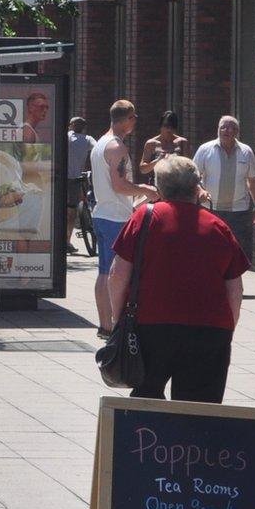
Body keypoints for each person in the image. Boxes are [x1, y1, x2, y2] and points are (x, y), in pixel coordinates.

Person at [105, 155, 247, 402]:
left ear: (159, 187)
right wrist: (227, 329)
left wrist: (119, 320)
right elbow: (235, 288)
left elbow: (118, 275)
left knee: (146, 401)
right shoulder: (218, 227)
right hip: (209, 331)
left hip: (150, 327)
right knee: (199, 408)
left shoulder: (144, 218)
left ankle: (149, 441)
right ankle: (192, 442)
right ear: (196, 187)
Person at [91, 100, 159, 337]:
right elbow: (120, 185)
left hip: (103, 213)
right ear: (128, 118)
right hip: (114, 218)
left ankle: (105, 325)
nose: (135, 122)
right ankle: (113, 324)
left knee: (103, 272)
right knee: (115, 273)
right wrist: (145, 189)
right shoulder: (116, 147)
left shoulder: (100, 143)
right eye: (134, 118)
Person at [193, 116, 255, 266]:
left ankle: (234, 282)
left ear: (237, 132)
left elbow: (253, 181)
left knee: (237, 250)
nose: (226, 130)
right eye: (223, 127)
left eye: (231, 127)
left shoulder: (246, 152)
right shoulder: (205, 149)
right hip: (210, 209)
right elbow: (193, 177)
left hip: (239, 211)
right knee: (210, 249)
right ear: (218, 129)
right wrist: (200, 191)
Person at [66, 117, 96, 251]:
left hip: (63, 178)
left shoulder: (66, 136)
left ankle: (64, 240)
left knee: (65, 210)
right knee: (71, 210)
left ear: (71, 125)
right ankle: (67, 241)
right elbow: (98, 149)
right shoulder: (87, 139)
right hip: (75, 178)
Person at [137, 110, 192, 182]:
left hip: (177, 184)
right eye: (166, 126)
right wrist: (158, 160)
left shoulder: (182, 143)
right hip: (157, 184)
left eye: (172, 126)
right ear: (160, 126)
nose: (169, 129)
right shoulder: (151, 144)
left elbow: (189, 167)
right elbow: (143, 169)